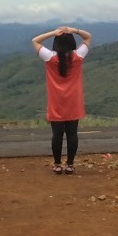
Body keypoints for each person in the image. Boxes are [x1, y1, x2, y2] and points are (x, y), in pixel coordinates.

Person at [31, 24, 91, 173]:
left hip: (56, 101)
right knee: (72, 134)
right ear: (72, 43)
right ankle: (70, 165)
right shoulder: (78, 56)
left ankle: (57, 165)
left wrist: (53, 33)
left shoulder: (50, 57)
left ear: (56, 44)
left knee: (57, 134)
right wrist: (74, 30)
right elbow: (88, 37)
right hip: (73, 101)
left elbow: (35, 41)